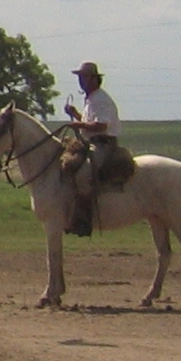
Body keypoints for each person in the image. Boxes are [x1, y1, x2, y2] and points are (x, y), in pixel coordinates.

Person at [61, 61, 131, 235]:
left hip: (104, 144)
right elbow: (88, 123)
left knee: (84, 174)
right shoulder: (91, 99)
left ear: (93, 78)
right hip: (93, 143)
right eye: (80, 78)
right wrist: (76, 114)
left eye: (83, 77)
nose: (81, 81)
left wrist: (79, 123)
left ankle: (84, 221)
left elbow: (101, 126)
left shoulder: (101, 99)